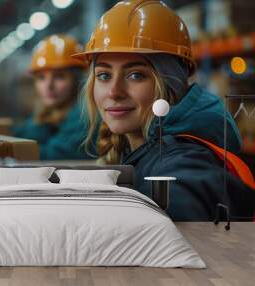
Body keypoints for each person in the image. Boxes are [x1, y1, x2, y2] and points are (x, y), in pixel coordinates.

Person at [72, 0, 255, 220]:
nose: (113, 92)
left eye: (136, 75)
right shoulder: (137, 149)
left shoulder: (183, 156)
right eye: (104, 75)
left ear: (171, 84)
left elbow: (184, 186)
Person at [13, 34, 96, 160]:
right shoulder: (47, 113)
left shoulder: (85, 115)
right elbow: (20, 135)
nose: (48, 86)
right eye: (41, 78)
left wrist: (8, 150)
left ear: (76, 80)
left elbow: (56, 155)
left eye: (59, 76)